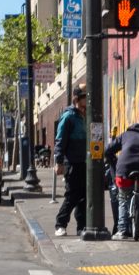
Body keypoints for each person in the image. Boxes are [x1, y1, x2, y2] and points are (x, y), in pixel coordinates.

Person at [53, 86, 87, 236]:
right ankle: (60, 224)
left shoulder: (86, 115)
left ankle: (82, 227)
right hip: (72, 161)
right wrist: (59, 162)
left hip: (84, 161)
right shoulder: (69, 117)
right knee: (72, 194)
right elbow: (60, 140)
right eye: (85, 96)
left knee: (84, 196)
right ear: (77, 99)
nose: (88, 99)